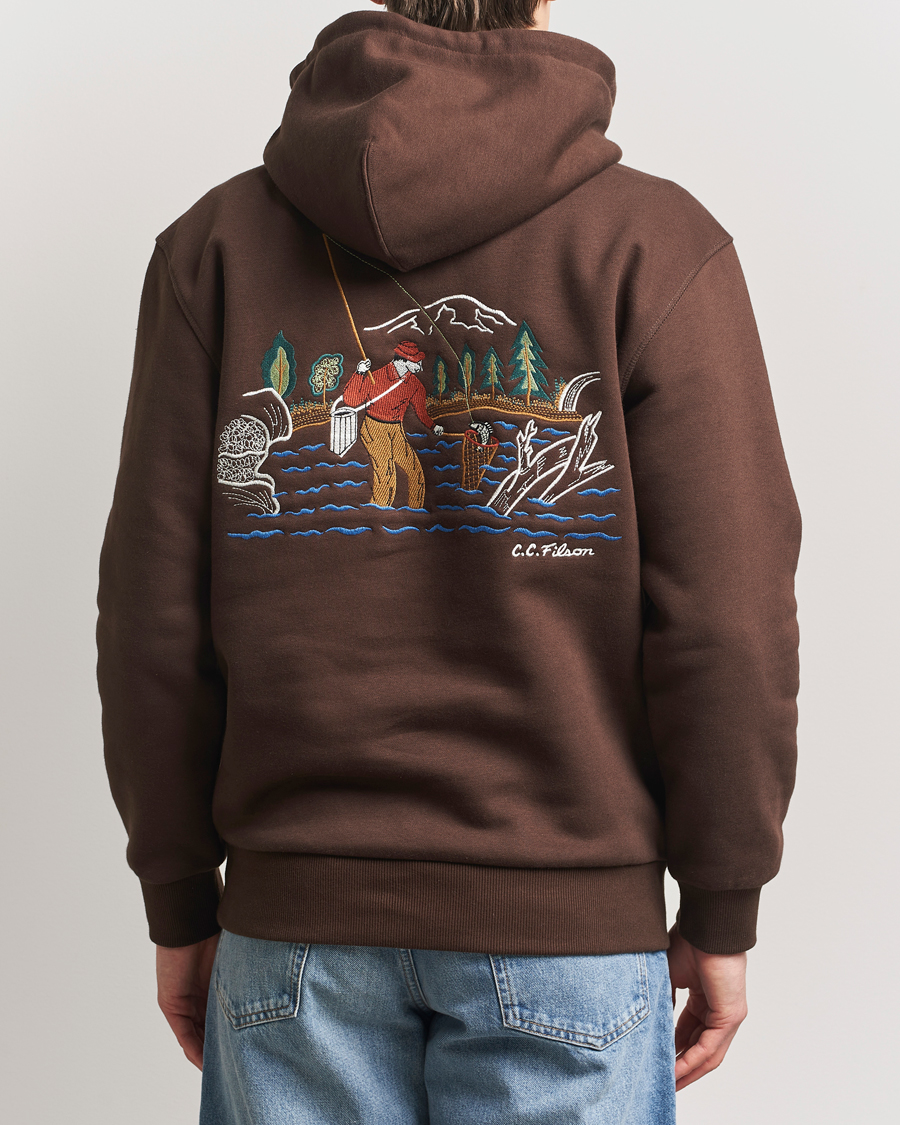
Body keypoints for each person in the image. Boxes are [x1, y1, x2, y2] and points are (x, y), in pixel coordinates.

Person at [95, 1, 801, 1121]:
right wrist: (723, 902)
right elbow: (730, 618)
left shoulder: (213, 248)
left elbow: (152, 617)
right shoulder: (656, 244)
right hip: (567, 931)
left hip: (293, 927)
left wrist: (179, 895)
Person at [342, 341, 445, 508]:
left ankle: (417, 513)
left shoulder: (415, 385)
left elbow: (421, 412)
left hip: (396, 430)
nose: (420, 368)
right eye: (417, 363)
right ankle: (378, 514)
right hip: (374, 429)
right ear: (404, 360)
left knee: (416, 472)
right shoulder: (376, 377)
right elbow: (351, 400)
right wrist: (359, 373)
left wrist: (433, 426)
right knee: (386, 475)